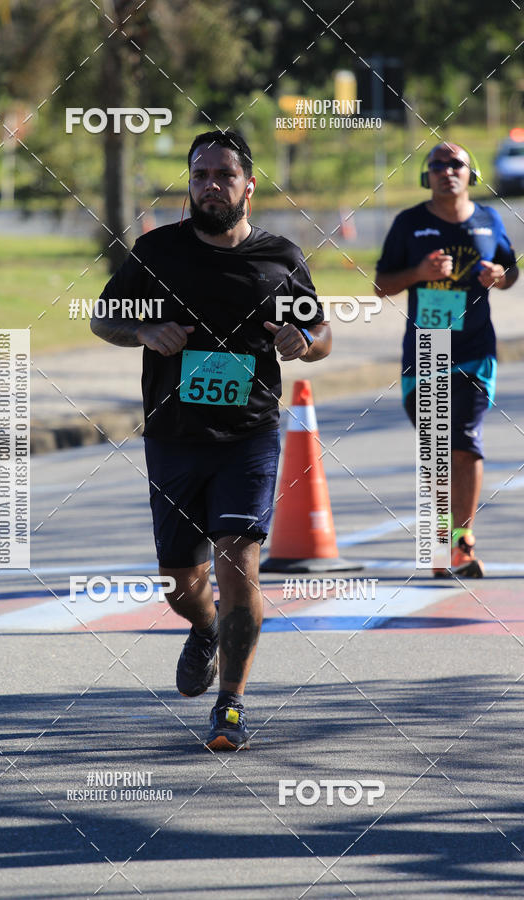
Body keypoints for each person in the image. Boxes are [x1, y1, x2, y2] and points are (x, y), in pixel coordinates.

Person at [91, 130, 331, 749]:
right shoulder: (157, 251)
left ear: (249, 186)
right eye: (200, 175)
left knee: (239, 563)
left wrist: (304, 341)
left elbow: (323, 333)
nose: (211, 186)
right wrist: (145, 332)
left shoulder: (279, 257)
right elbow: (102, 316)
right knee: (179, 582)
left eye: (224, 175)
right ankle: (204, 629)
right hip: (173, 435)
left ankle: (231, 705)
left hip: (249, 434)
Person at [376, 142, 518, 577]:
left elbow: (510, 271)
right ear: (428, 176)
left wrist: (500, 277)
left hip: (475, 351)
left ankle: (461, 540)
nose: (447, 171)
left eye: (456, 164)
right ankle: (440, 542)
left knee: (467, 441)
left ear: (471, 174)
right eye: (437, 164)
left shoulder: (489, 219)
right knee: (438, 448)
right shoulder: (410, 223)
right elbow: (382, 284)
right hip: (427, 351)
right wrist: (418, 273)